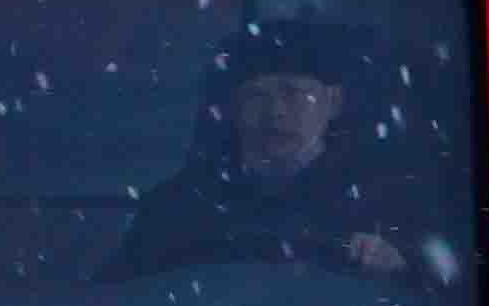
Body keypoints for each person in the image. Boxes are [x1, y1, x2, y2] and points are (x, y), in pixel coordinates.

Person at [119, 47, 450, 284]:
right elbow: (119, 300)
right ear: (232, 109)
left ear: (334, 101)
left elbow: (448, 292)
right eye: (257, 96)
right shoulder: (176, 205)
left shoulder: (392, 199)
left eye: (292, 93)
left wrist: (399, 267)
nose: (275, 112)